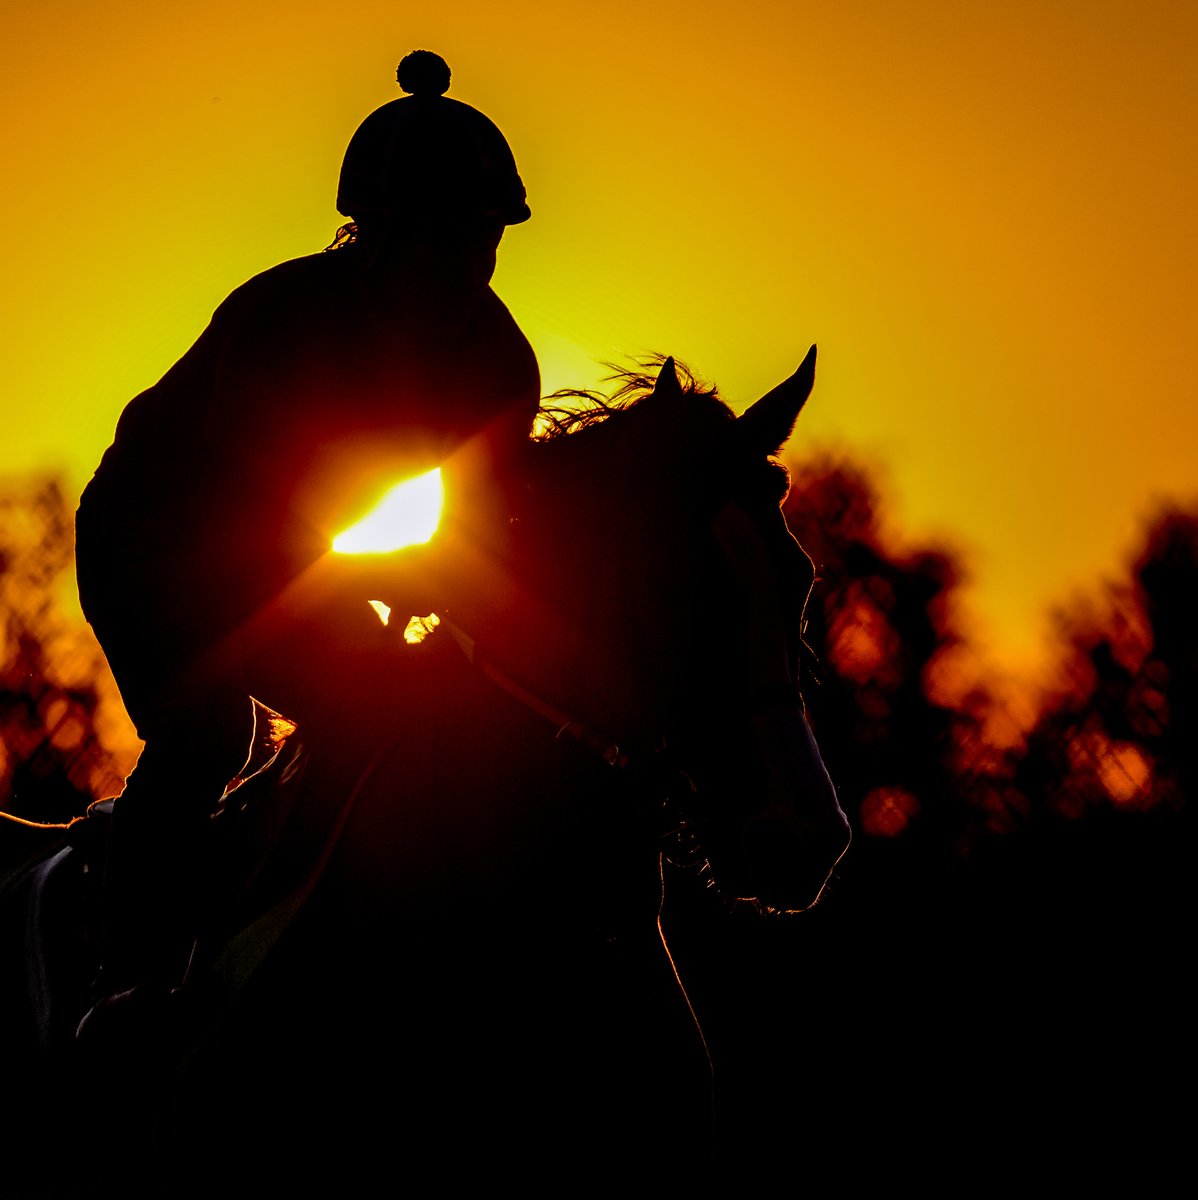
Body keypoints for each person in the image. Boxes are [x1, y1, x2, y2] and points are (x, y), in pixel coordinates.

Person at [75, 50, 540, 1003]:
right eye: (436, 246)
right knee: (207, 732)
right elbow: (266, 539)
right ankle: (126, 990)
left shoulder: (500, 365)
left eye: (479, 244)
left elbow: (490, 538)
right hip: (153, 547)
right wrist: (412, 585)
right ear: (367, 237)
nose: (462, 274)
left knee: (430, 713)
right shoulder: (279, 322)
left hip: (289, 567)